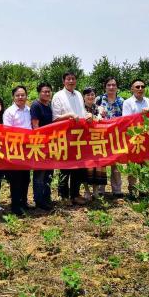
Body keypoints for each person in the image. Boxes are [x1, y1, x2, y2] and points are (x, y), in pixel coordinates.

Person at [51, 71, 88, 206]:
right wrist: (69, 115)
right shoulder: (58, 96)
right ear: (63, 81)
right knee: (65, 167)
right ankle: (63, 195)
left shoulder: (78, 94)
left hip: (79, 136)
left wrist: (87, 115)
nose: (71, 81)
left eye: (73, 79)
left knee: (78, 166)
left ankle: (75, 194)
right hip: (65, 136)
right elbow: (55, 118)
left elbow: (82, 113)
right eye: (68, 79)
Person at [3, 85, 33, 216]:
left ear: (26, 96)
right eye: (17, 95)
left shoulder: (29, 110)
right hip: (15, 149)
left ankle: (24, 201)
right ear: (13, 97)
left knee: (26, 178)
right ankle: (15, 206)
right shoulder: (9, 112)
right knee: (16, 179)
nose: (20, 97)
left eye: (23, 95)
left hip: (27, 149)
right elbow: (7, 131)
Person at [122, 78, 149, 197]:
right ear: (132, 89)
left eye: (142, 87)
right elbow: (126, 120)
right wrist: (141, 115)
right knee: (133, 165)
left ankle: (144, 190)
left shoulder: (148, 101)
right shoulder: (128, 102)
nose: (140, 89)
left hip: (147, 138)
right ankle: (133, 190)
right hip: (133, 138)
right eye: (137, 87)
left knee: (146, 164)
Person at [96, 76, 125, 198]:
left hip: (117, 136)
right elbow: (93, 112)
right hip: (101, 136)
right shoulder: (98, 100)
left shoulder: (122, 101)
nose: (111, 87)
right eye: (109, 85)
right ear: (105, 87)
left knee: (116, 164)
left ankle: (117, 189)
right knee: (101, 164)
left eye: (113, 85)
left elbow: (127, 118)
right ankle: (100, 189)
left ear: (117, 87)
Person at [30, 82, 54, 210]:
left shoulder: (49, 106)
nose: (46, 93)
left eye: (48, 91)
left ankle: (47, 197)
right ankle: (39, 200)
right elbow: (35, 126)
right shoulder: (36, 105)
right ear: (39, 92)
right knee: (40, 174)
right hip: (40, 144)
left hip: (50, 144)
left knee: (49, 173)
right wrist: (41, 143)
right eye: (44, 91)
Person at [82, 86, 107, 200]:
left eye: (92, 94)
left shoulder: (100, 109)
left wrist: (101, 116)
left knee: (98, 166)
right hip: (84, 142)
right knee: (86, 167)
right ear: (84, 97)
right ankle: (86, 191)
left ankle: (96, 190)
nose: (90, 97)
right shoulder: (80, 109)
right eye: (88, 95)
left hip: (97, 141)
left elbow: (103, 122)